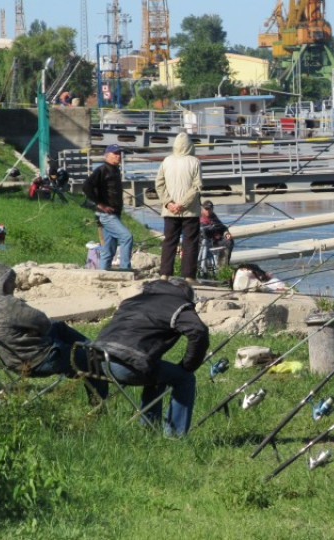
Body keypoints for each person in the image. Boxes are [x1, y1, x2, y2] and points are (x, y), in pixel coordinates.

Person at [92, 278, 209, 437]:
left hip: (96, 360)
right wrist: (188, 366)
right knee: (185, 378)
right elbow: (199, 332)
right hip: (126, 365)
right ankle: (175, 436)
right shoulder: (179, 305)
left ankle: (149, 429)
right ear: (186, 295)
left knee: (155, 369)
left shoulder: (134, 300)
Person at [0, 263, 107, 398]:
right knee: (92, 362)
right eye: (10, 282)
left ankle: (94, 347)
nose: (14, 285)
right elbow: (43, 323)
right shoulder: (9, 305)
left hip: (10, 359)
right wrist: (34, 331)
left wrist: (31, 332)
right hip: (36, 361)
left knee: (59, 327)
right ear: (1, 284)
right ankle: (99, 406)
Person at [155, 132, 202, 281]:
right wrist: (182, 204)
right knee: (190, 243)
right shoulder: (195, 161)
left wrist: (169, 203)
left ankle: (165, 273)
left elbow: (159, 184)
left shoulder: (166, 161)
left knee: (169, 241)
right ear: (190, 146)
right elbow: (197, 187)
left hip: (169, 211)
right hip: (190, 211)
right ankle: (188, 276)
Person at [83, 144, 133, 271]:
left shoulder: (115, 169)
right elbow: (86, 186)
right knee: (126, 237)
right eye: (115, 154)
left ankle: (103, 274)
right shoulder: (102, 170)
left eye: (119, 153)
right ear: (107, 155)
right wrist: (100, 204)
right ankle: (125, 270)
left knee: (108, 250)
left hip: (115, 214)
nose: (118, 156)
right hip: (106, 215)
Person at [199, 200, 234, 267]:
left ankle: (224, 265)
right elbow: (203, 231)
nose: (208, 211)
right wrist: (212, 228)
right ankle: (216, 265)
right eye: (206, 209)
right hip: (206, 242)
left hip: (216, 241)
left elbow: (223, 228)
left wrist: (227, 234)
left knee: (229, 241)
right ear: (202, 209)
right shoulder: (199, 218)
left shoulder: (214, 217)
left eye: (210, 209)